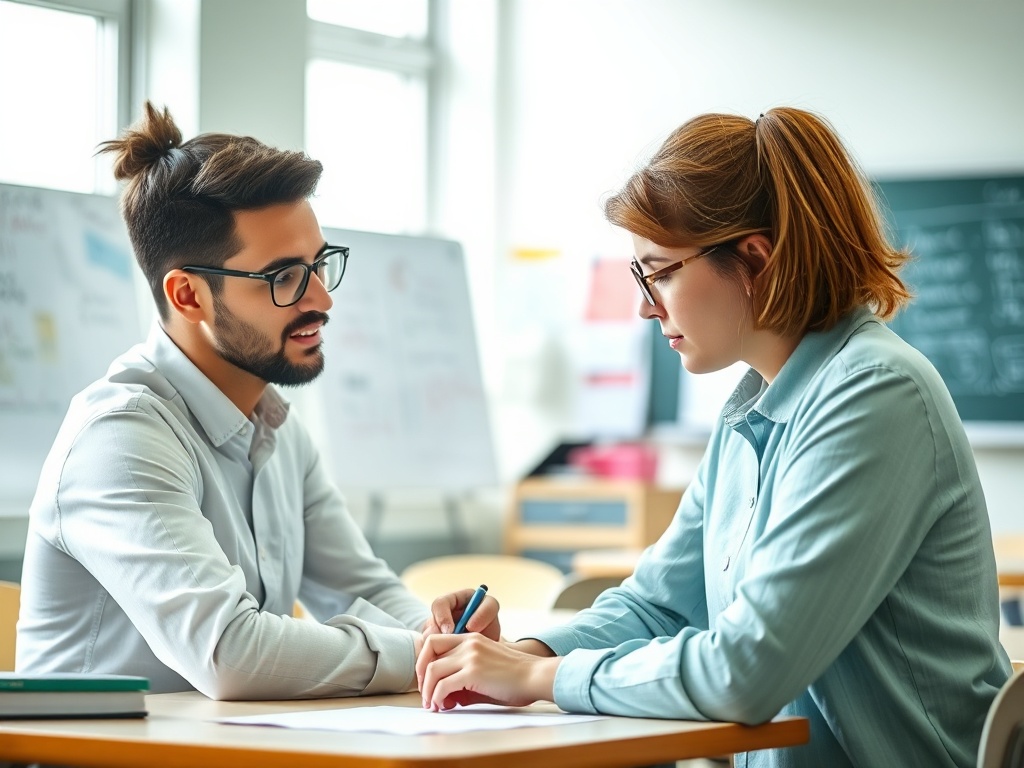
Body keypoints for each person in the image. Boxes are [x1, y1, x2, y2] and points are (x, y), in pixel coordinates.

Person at [418, 107, 1012, 767]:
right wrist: (523, 654)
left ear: (754, 259)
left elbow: (748, 669)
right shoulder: (752, 410)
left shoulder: (874, 393)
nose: (646, 304)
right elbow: (659, 605)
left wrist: (538, 680)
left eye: (661, 271)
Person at [16, 102, 431, 698]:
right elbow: (230, 653)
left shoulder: (277, 429)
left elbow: (361, 592)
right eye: (284, 277)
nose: (322, 299)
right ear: (188, 296)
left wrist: (452, 641)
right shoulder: (121, 436)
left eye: (319, 265)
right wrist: (420, 656)